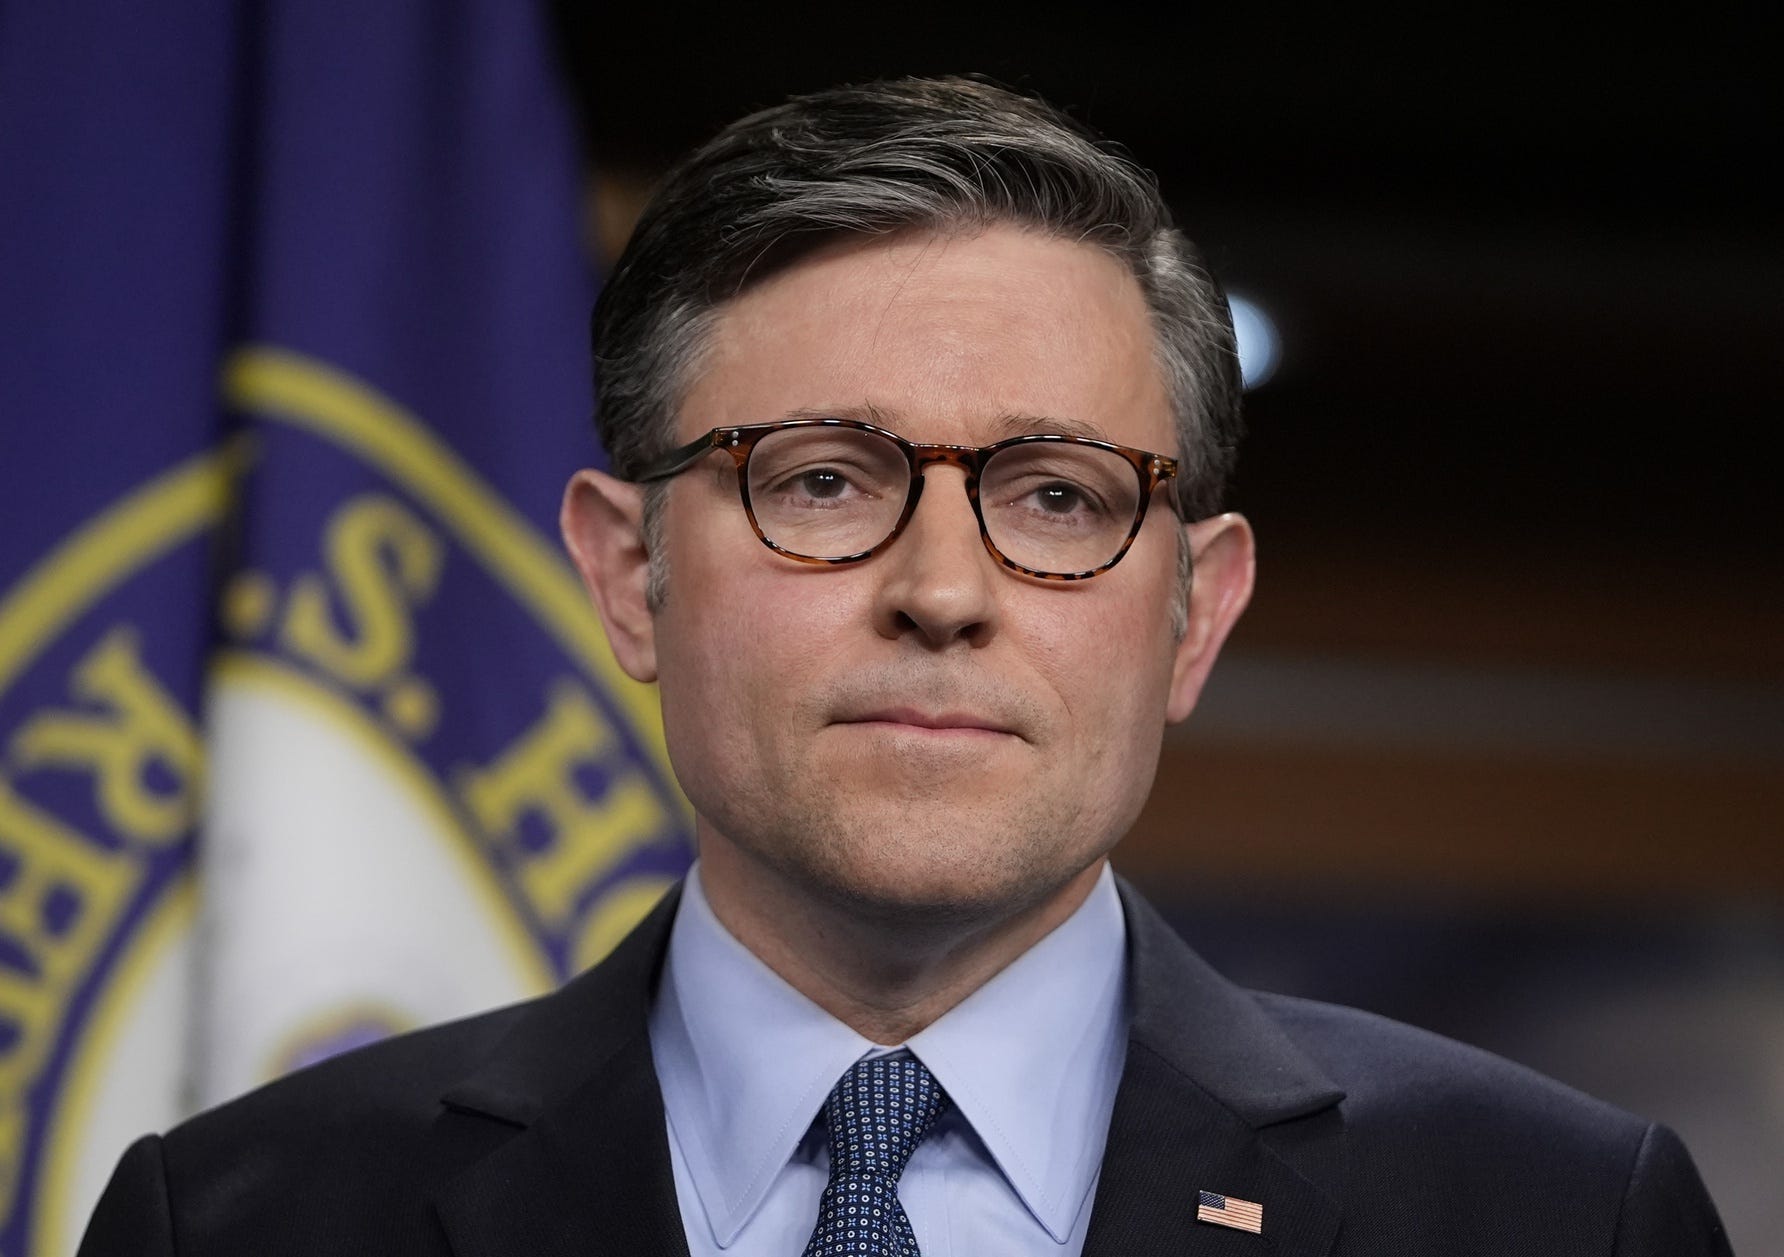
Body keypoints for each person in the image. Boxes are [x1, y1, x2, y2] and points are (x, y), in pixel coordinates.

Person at [80, 76, 1730, 1257]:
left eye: (1060, 497)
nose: (943, 589)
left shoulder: (1556, 1216)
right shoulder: (242, 1218)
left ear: (1196, 616)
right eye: (821, 480)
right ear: (625, 572)